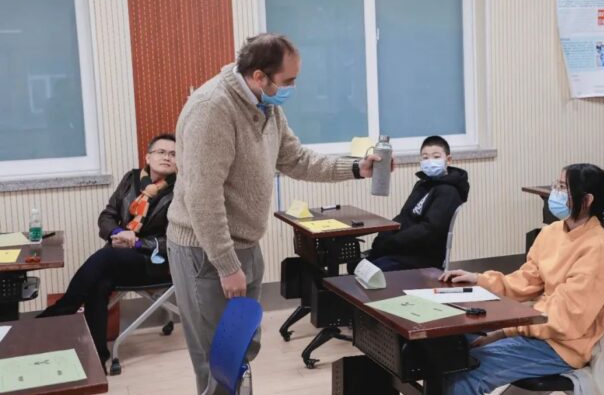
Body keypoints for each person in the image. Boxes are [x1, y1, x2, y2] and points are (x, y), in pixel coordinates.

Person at [166, 33, 388, 394]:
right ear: (259, 76)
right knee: (218, 360)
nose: (292, 88)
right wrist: (226, 264)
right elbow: (202, 197)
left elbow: (295, 158)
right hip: (205, 252)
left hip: (244, 244)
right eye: (289, 80)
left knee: (242, 351)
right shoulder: (212, 109)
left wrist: (354, 168)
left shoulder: (265, 106)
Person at [440, 163, 604, 395]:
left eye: (563, 188)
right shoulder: (552, 232)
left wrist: (504, 331)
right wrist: (478, 280)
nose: (555, 193)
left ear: (587, 200)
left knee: (464, 376)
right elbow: (525, 280)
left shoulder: (599, 250)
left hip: (563, 345)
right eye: (556, 185)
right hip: (538, 328)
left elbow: (564, 320)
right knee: (447, 351)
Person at [38, 133, 177, 368]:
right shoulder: (131, 179)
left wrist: (137, 243)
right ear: (148, 157)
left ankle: (63, 309)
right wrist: (117, 233)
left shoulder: (181, 191)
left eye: (173, 154)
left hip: (156, 262)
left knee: (106, 258)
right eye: (161, 152)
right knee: (99, 283)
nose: (167, 157)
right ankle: (98, 355)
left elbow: (176, 240)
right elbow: (107, 216)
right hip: (119, 256)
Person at [365, 135, 469, 271]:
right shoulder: (422, 185)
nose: (430, 161)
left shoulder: (449, 191)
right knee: (357, 264)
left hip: (423, 258)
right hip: (403, 250)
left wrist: (391, 243)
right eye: (425, 158)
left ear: (448, 160)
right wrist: (384, 236)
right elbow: (404, 216)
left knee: (371, 270)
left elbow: (430, 230)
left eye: (436, 157)